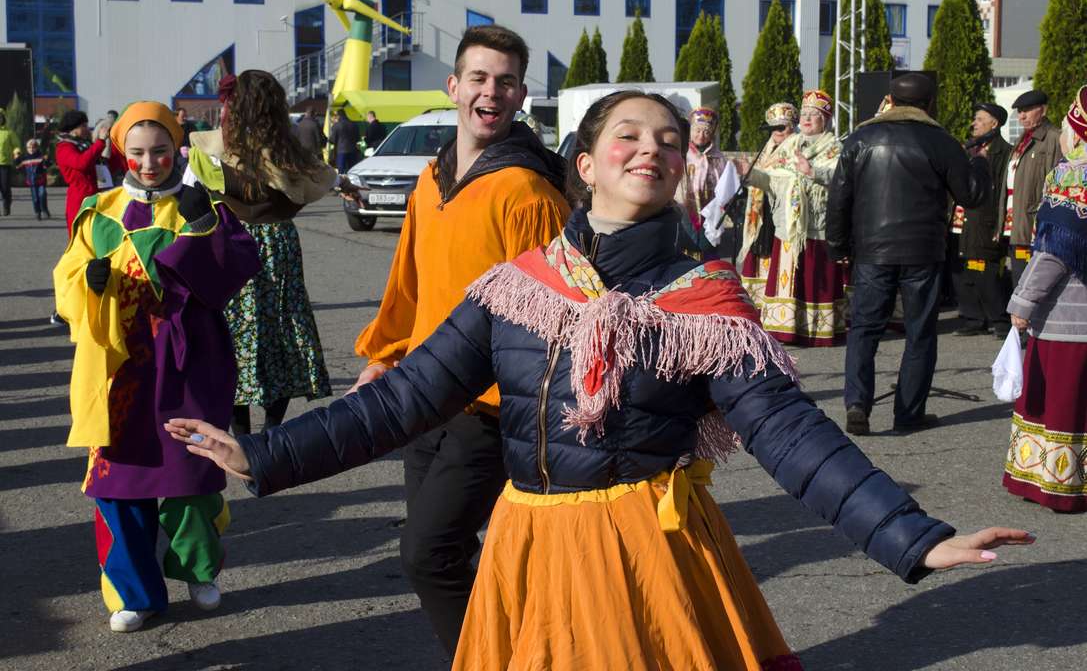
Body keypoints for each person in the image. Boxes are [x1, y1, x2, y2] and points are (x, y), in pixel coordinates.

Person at [169, 90, 1034, 671]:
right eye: (627, 135)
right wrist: (262, 454)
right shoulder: (516, 286)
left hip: (643, 551)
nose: (648, 150)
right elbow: (404, 397)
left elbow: (787, 433)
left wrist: (912, 537)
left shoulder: (703, 297)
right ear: (583, 165)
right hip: (527, 546)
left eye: (665, 141)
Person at [346, 24, 569, 655]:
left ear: (521, 94)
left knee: (428, 553)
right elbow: (408, 280)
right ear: (454, 87)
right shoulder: (430, 176)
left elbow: (558, 313)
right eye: (478, 77)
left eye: (504, 81)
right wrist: (385, 354)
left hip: (493, 407)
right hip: (423, 394)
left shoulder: (527, 190)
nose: (490, 91)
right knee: (453, 550)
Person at [52, 101, 259, 633]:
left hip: (189, 362)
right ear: (122, 151)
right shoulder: (97, 212)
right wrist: (88, 285)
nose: (150, 164)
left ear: (176, 148)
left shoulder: (202, 205)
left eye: (161, 151)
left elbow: (235, 272)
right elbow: (68, 282)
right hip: (118, 369)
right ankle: (134, 592)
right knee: (117, 482)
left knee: (192, 474)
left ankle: (198, 569)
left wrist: (203, 225)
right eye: (139, 153)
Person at [827, 73, 990, 436]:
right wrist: (978, 163)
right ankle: (908, 413)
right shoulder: (941, 141)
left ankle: (857, 403)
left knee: (864, 330)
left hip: (871, 251)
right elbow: (971, 196)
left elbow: (839, 198)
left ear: (890, 99)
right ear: (930, 103)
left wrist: (837, 245)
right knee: (920, 333)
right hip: (923, 251)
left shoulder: (861, 138)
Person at [184, 70, 337, 434]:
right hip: (280, 244)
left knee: (235, 332)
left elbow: (188, 195)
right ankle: (271, 431)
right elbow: (326, 178)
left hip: (232, 241)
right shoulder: (288, 152)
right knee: (281, 330)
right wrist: (346, 185)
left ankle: (241, 434)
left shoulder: (215, 148)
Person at [1003, 86, 1087, 513]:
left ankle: (1058, 485)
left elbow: (1053, 253)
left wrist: (1022, 302)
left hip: (1068, 317)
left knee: (1062, 400)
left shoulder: (1072, 179)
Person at [738, 90, 846, 347]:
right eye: (805, 114)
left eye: (814, 115)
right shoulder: (789, 145)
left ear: (826, 120)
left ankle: (817, 331)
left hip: (817, 226)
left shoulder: (834, 147)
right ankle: (784, 329)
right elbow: (772, 180)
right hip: (787, 226)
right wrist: (751, 176)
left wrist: (813, 172)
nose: (807, 119)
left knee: (814, 278)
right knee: (787, 277)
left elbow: (840, 181)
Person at [954, 102, 1013, 337]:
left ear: (994, 124)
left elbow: (1001, 191)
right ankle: (972, 319)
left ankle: (999, 320)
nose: (973, 124)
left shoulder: (1003, 152)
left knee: (985, 272)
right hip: (961, 218)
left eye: (979, 119)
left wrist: (999, 224)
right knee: (962, 272)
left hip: (984, 220)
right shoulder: (969, 149)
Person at [738, 102, 798, 311]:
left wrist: (757, 177)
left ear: (792, 126)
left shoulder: (797, 148)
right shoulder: (766, 149)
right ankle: (759, 303)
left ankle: (778, 307)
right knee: (761, 255)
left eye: (781, 127)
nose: (776, 133)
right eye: (772, 128)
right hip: (762, 212)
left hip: (786, 213)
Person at [1004, 90, 1062, 289]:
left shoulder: (1054, 138)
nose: (1021, 116)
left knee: (1031, 282)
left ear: (1042, 110)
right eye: (1020, 111)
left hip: (1034, 224)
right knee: (1018, 281)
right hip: (1014, 221)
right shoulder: (1022, 139)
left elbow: (1056, 183)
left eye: (1027, 110)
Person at [55, 110, 121, 236]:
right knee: (81, 238)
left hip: (95, 195)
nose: (87, 129)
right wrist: (100, 142)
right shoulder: (64, 147)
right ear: (73, 128)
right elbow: (81, 163)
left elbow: (104, 166)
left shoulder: (84, 145)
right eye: (83, 126)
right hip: (79, 199)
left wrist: (116, 146)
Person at [675, 107, 728, 251]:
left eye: (706, 132)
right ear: (691, 131)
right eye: (697, 130)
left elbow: (724, 182)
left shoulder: (718, 157)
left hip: (709, 209)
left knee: (706, 247)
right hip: (685, 206)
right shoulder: (682, 153)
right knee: (686, 243)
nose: (701, 135)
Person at [17, 138, 50, 220]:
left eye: (33, 147)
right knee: (35, 198)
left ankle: (44, 209)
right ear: (27, 148)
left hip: (41, 180)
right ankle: (37, 212)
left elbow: (46, 166)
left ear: (37, 148)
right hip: (31, 181)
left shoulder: (40, 156)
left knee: (42, 195)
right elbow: (18, 167)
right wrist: (16, 158)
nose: (31, 149)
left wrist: (47, 160)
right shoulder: (25, 158)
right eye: (29, 147)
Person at [328, 109, 361, 173]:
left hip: (341, 151)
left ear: (338, 116)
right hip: (353, 150)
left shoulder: (336, 125)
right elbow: (358, 138)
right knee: (352, 170)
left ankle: (342, 182)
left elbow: (332, 140)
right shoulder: (354, 124)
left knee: (341, 171)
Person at [0, 111, 20, 216]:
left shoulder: (9, 132)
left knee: (5, 187)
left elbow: (16, 145)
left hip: (5, 164)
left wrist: (16, 152)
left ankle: (6, 204)